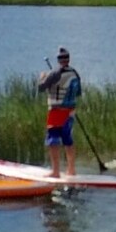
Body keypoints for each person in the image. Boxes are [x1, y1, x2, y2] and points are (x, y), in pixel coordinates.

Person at [36, 46, 82, 178]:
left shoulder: (54, 73)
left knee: (53, 140)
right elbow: (78, 92)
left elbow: (41, 88)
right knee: (68, 139)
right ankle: (71, 170)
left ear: (58, 60)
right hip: (70, 111)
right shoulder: (75, 73)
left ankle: (55, 172)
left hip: (56, 111)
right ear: (68, 59)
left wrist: (42, 77)